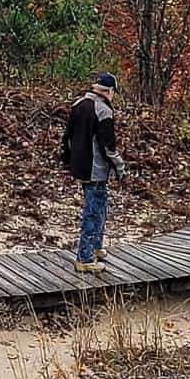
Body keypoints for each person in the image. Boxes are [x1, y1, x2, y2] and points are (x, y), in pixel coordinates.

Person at [61, 72, 125, 272]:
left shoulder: (78, 104)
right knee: (94, 211)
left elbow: (67, 138)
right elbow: (108, 146)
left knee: (100, 205)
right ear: (110, 91)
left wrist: (68, 160)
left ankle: (96, 246)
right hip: (95, 168)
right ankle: (85, 258)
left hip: (79, 165)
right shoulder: (103, 110)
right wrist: (120, 167)